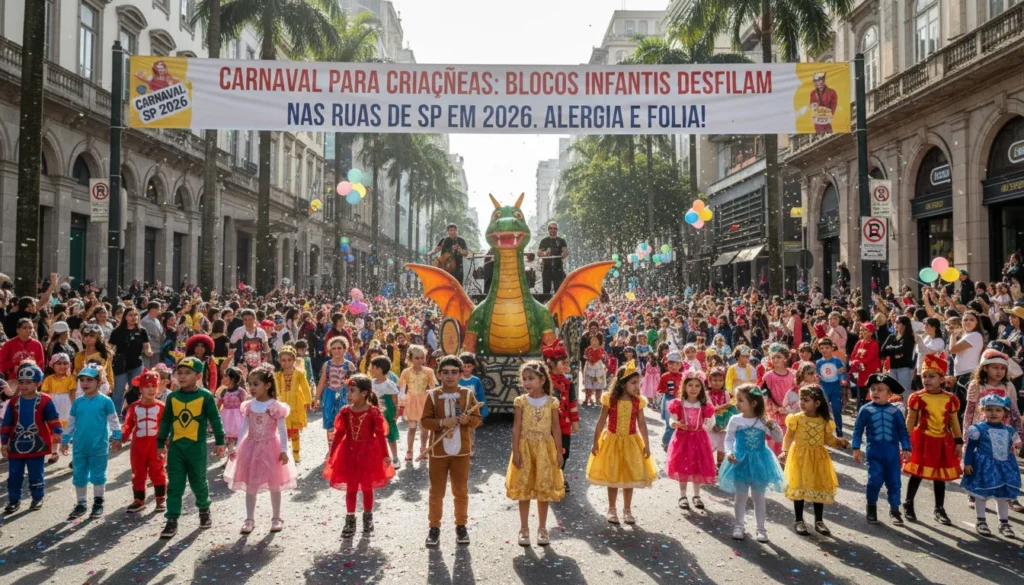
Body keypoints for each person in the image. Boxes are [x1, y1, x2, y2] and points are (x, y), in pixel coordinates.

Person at [156, 356, 226, 539]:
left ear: (198, 375)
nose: (182, 376)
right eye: (179, 373)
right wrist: (160, 442)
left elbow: (215, 419)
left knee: (198, 482)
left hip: (197, 449)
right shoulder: (172, 397)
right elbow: (165, 421)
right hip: (176, 449)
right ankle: (171, 520)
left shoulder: (205, 396)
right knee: (175, 485)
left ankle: (204, 509)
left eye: (188, 373)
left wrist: (220, 440)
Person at [224, 366, 297, 535]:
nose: (252, 388)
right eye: (250, 384)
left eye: (256, 384)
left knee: (274, 484)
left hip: (271, 446)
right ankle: (249, 519)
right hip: (251, 447)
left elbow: (282, 430)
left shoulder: (275, 406)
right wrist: (237, 446)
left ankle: (276, 518)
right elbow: (244, 428)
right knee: (251, 485)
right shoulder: (249, 405)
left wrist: (284, 450)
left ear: (268, 385)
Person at [420, 355, 482, 548]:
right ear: (439, 374)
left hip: (461, 451)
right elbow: (424, 421)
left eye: (454, 372)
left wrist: (467, 421)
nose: (449, 376)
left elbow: (476, 419)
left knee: (460, 490)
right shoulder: (432, 395)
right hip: (438, 452)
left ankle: (461, 525)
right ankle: (434, 527)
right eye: (445, 372)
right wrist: (441, 423)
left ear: (461, 373)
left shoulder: (467, 395)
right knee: (436, 492)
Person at [586, 361, 658, 525]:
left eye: (638, 383)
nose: (636, 386)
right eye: (633, 383)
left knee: (629, 477)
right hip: (612, 442)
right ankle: (612, 508)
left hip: (631, 442)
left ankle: (627, 509)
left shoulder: (637, 401)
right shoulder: (610, 399)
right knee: (612, 477)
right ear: (622, 383)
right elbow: (601, 421)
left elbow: (642, 424)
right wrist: (595, 442)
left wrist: (647, 444)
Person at [506, 360, 565, 547]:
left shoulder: (551, 402)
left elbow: (556, 428)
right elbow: (516, 428)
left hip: (544, 450)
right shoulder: (521, 402)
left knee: (543, 489)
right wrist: (516, 451)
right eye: (524, 379)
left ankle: (542, 528)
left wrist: (558, 451)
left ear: (541, 379)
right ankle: (524, 529)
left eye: (531, 378)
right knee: (524, 489)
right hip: (525, 448)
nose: (527, 382)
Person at [717, 384, 785, 542]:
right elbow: (728, 439)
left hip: (760, 462)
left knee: (758, 496)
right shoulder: (735, 419)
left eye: (740, 400)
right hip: (740, 461)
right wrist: (729, 452)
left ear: (753, 403)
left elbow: (778, 438)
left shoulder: (763, 421)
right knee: (740, 496)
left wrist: (773, 425)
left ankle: (761, 529)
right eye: (736, 399)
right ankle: (738, 525)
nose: (737, 403)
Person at [780, 385, 849, 536]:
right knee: (799, 487)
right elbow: (789, 436)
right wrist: (784, 451)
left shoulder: (824, 421)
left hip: (818, 458)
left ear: (817, 403)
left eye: (806, 400)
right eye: (801, 400)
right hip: (799, 457)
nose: (801, 403)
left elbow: (829, 440)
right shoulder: (796, 418)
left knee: (818, 487)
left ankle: (819, 521)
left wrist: (839, 442)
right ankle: (799, 520)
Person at [902, 353, 962, 525]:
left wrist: (958, 441)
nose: (927, 380)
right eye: (924, 376)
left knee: (939, 476)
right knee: (917, 474)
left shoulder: (949, 399)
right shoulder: (918, 397)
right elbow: (910, 420)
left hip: (942, 440)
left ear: (942, 379)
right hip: (923, 439)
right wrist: (906, 442)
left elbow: (953, 421)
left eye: (932, 377)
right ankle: (908, 504)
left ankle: (939, 508)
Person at [61, 365, 122, 519]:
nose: (85, 383)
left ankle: (98, 502)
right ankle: (81, 503)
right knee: (79, 474)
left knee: (98, 474)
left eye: (89, 380)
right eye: (82, 380)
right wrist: (66, 439)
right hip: (80, 446)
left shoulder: (105, 401)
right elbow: (71, 422)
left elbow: (114, 420)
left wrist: (117, 437)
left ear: (99, 381)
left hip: (99, 446)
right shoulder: (77, 402)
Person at [1, 362, 62, 513]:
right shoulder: (14, 402)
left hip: (37, 444)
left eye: (29, 382)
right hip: (15, 444)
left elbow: (53, 418)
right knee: (14, 474)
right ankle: (14, 500)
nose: (23, 385)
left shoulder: (45, 400)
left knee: (36, 473)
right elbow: (7, 423)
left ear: (38, 383)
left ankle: (37, 497)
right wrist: (3, 442)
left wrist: (57, 432)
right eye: (21, 382)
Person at [851, 373, 910, 526]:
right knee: (874, 481)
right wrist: (856, 448)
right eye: (873, 389)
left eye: (880, 389)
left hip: (892, 454)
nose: (876, 392)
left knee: (894, 482)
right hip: (874, 453)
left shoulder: (895, 412)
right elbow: (857, 430)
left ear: (890, 394)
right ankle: (871, 506)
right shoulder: (865, 410)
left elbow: (903, 432)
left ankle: (895, 509)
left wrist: (906, 447)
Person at [961, 393, 1021, 538]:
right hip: (984, 467)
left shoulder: (1009, 430)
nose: (993, 413)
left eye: (998, 410)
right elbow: (970, 447)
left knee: (1002, 496)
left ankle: (1004, 523)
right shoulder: (978, 429)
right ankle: (981, 521)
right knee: (982, 495)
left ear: (1004, 413)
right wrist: (967, 463)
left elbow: (1015, 446)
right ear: (983, 411)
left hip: (1004, 468)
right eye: (990, 410)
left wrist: (1017, 448)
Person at [666, 370, 717, 510]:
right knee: (683, 466)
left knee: (697, 467)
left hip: (699, 438)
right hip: (682, 438)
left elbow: (711, 420)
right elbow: (672, 418)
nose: (693, 389)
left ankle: (696, 495)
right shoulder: (679, 403)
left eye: (697, 386)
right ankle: (683, 495)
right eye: (690, 385)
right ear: (684, 387)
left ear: (701, 388)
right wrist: (674, 424)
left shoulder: (704, 405)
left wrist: (704, 427)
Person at [122, 369, 167, 514]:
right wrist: (122, 437)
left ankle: (160, 499)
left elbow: (167, 425)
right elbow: (128, 424)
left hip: (156, 446)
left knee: (158, 471)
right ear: (141, 388)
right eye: (147, 386)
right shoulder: (134, 407)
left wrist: (167, 441)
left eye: (154, 386)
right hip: (138, 447)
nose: (151, 389)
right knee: (138, 472)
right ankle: (139, 499)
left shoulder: (161, 406)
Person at [541, 342, 577, 491]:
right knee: (548, 451)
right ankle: (548, 476)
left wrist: (575, 421)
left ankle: (560, 475)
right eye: (563, 362)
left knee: (564, 451)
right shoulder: (543, 382)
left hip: (564, 424)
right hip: (547, 424)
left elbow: (572, 402)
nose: (566, 365)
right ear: (552, 364)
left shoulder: (568, 383)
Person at [398, 345, 437, 462]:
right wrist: (402, 400)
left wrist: (432, 399)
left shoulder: (428, 371)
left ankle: (423, 448)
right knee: (412, 427)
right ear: (410, 359)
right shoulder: (406, 372)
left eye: (422, 358)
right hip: (411, 401)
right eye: (417, 358)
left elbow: (433, 387)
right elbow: (402, 387)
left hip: (424, 401)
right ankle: (409, 450)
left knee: (425, 427)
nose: (420, 360)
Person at [274, 346, 313, 463]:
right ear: (280, 361)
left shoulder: (299, 374)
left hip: (296, 404)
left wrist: (308, 402)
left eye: (289, 360)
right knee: (282, 430)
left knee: (295, 430)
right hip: (281, 404)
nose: (286, 363)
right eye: (283, 360)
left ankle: (296, 454)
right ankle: (282, 452)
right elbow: (275, 390)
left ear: (294, 360)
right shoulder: (277, 375)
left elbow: (305, 388)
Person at [316, 337, 356, 443]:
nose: (336, 351)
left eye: (339, 348)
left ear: (344, 349)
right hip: (329, 393)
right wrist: (316, 398)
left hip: (344, 394)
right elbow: (321, 382)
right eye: (333, 348)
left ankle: (343, 446)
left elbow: (355, 384)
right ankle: (331, 448)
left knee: (344, 420)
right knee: (329, 419)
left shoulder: (349, 365)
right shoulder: (327, 364)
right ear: (330, 350)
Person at [369, 356, 401, 464]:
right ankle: (379, 457)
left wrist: (396, 413)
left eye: (372, 367)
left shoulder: (390, 384)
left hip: (387, 411)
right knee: (375, 434)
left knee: (390, 433)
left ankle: (395, 457)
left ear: (379, 369)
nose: (370, 369)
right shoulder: (371, 383)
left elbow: (395, 400)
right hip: (373, 411)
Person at [458, 353, 489, 457]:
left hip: (471, 411)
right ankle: (459, 448)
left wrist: (481, 415)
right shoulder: (457, 379)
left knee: (471, 431)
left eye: (469, 366)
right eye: (463, 366)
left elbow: (480, 398)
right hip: (458, 410)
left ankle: (471, 448)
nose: (466, 369)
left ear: (473, 367)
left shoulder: (476, 381)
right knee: (457, 430)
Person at [707, 367, 737, 465]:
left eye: (720, 380)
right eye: (714, 380)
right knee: (711, 445)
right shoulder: (706, 394)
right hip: (712, 425)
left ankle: (720, 466)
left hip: (725, 424)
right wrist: (722, 407)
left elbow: (734, 405)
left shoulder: (727, 394)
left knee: (723, 446)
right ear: (709, 381)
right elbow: (706, 408)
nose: (717, 383)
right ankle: (711, 466)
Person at [217, 367, 248, 456]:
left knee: (237, 439)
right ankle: (230, 457)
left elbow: (244, 404)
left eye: (225, 376)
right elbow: (219, 404)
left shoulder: (240, 391)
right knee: (229, 439)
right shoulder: (223, 391)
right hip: (226, 418)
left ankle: (237, 456)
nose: (223, 378)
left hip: (238, 418)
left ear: (233, 379)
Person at [657, 351, 684, 449]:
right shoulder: (665, 376)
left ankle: (673, 440)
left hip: (679, 399)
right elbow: (660, 389)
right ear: (666, 364)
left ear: (680, 365)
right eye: (671, 363)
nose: (673, 366)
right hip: (668, 398)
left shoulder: (682, 376)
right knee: (669, 422)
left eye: (676, 364)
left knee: (677, 420)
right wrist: (667, 390)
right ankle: (666, 441)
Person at [537, 222, 568, 295]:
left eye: (554, 228)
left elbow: (565, 252)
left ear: (557, 230)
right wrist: (545, 254)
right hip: (546, 269)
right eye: (550, 228)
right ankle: (546, 304)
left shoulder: (561, 241)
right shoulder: (544, 241)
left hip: (558, 268)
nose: (552, 230)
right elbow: (539, 253)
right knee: (546, 291)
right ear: (548, 230)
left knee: (559, 291)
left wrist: (563, 254)